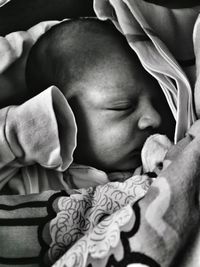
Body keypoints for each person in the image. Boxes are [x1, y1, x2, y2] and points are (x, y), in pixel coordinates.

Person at [25, 18, 175, 173]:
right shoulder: (36, 179)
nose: (155, 118)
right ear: (62, 115)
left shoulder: (172, 158)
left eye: (159, 103)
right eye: (123, 107)